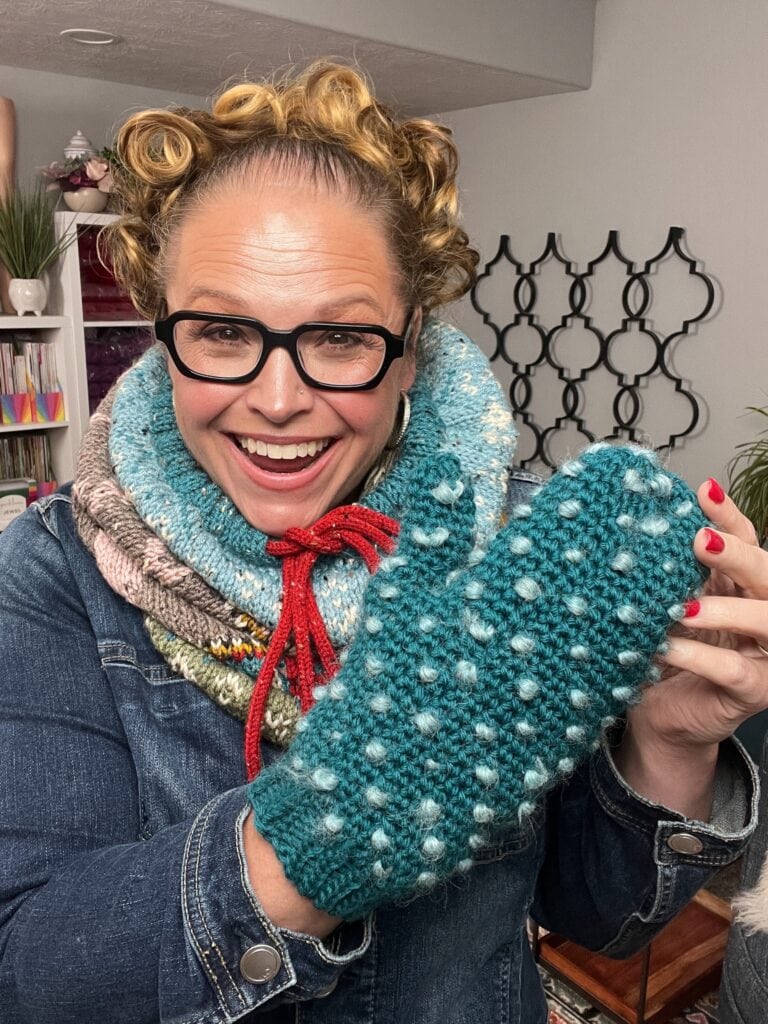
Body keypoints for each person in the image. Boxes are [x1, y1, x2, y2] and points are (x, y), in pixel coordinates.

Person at [0, 61, 766, 1024]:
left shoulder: (526, 551)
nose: (278, 401)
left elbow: (592, 917)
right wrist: (316, 844)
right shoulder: (57, 571)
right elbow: (27, 970)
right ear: (162, 332)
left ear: (411, 344)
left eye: (340, 339)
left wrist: (667, 743)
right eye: (224, 331)